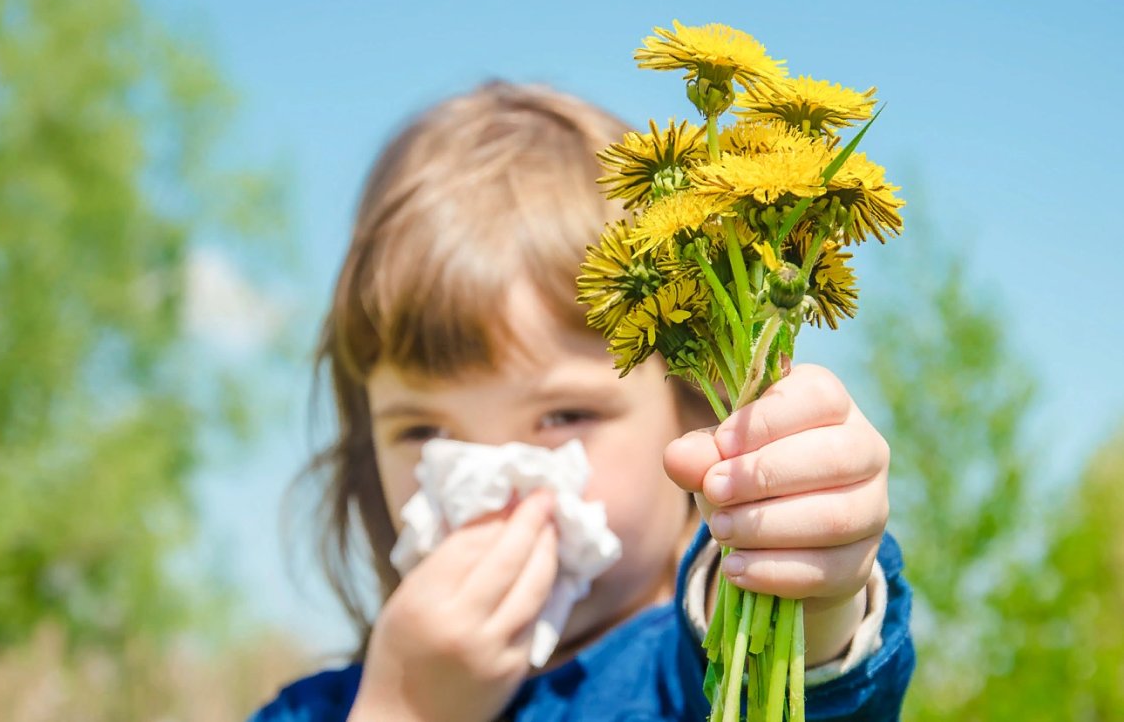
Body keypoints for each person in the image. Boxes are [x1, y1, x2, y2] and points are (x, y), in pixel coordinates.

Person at [250, 81, 913, 721]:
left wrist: (807, 582)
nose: (497, 482)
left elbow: (791, 685)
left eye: (564, 416)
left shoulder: (684, 673)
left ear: (695, 412)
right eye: (423, 430)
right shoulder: (317, 712)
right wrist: (404, 709)